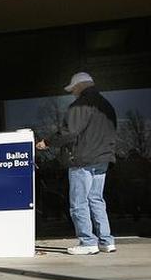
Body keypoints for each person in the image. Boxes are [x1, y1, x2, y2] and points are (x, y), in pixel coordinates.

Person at [36, 72, 118, 256]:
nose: (73, 93)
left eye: (73, 89)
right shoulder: (107, 105)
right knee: (96, 199)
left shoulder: (81, 105)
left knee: (78, 202)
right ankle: (106, 241)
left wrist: (47, 142)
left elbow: (70, 131)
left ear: (80, 86)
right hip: (103, 159)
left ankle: (87, 242)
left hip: (83, 160)